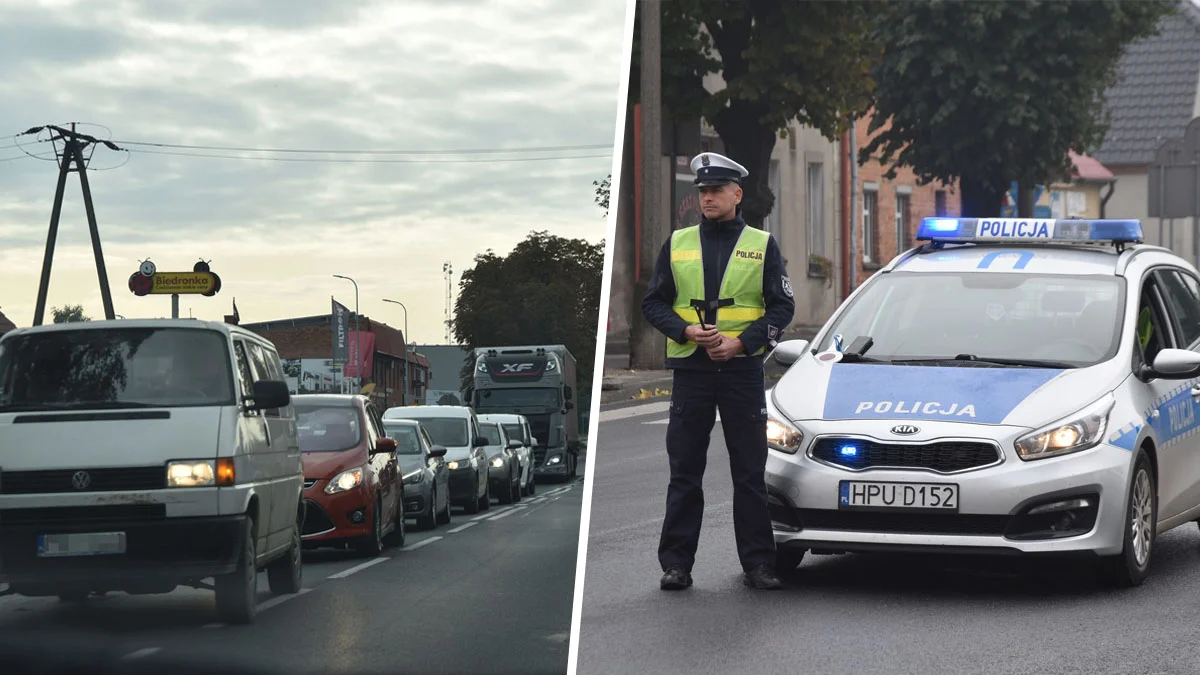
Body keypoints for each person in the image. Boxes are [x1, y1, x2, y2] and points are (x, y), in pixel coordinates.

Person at [641, 151, 796, 591]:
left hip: (742, 370)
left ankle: (759, 565)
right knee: (684, 471)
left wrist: (742, 342)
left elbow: (782, 307)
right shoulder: (677, 243)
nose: (707, 198)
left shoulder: (762, 244)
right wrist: (687, 330)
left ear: (736, 194)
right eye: (703, 191)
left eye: (716, 191)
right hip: (691, 370)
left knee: (749, 472)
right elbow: (653, 302)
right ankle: (676, 565)